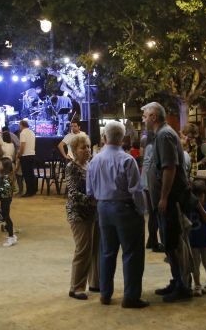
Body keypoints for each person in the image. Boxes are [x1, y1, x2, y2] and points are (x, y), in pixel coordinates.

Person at [87, 120, 148, 309]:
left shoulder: (95, 160)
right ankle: (130, 296)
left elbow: (89, 190)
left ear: (105, 137)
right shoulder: (127, 160)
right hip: (125, 208)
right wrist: (141, 210)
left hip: (103, 208)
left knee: (107, 252)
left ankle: (105, 293)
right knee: (132, 253)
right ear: (123, 138)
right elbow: (136, 191)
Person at [142, 102, 192, 303]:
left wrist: (163, 198)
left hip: (170, 200)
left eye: (145, 116)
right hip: (165, 201)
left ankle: (182, 286)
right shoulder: (162, 135)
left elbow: (170, 168)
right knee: (169, 242)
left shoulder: (164, 135)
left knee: (172, 243)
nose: (143, 119)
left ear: (154, 116)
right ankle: (176, 280)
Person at [65, 135, 99, 300]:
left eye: (87, 146)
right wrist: (92, 200)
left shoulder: (91, 165)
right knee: (83, 250)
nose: (86, 150)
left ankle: (95, 283)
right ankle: (76, 287)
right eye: (82, 147)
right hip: (78, 214)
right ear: (74, 151)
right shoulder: (71, 167)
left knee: (95, 249)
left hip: (93, 213)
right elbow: (72, 194)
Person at [188, 180, 206, 297]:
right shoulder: (189, 207)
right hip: (193, 241)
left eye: (201, 195)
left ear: (205, 194)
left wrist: (199, 207)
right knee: (195, 264)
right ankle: (197, 285)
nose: (199, 198)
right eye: (196, 196)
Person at [0, 157, 17, 247]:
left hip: (6, 199)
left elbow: (5, 189)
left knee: (6, 217)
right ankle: (11, 235)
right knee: (5, 216)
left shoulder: (6, 178)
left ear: (4, 167)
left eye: (0, 164)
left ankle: (11, 236)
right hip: (6, 199)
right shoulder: (7, 176)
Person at [18, 120, 37, 197]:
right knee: (31, 174)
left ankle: (29, 191)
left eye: (19, 125)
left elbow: (22, 145)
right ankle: (33, 190)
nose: (19, 127)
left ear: (22, 125)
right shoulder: (32, 132)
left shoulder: (23, 133)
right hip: (32, 154)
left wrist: (19, 154)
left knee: (26, 175)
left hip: (25, 155)